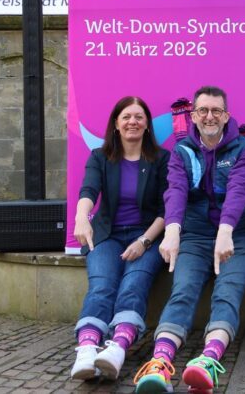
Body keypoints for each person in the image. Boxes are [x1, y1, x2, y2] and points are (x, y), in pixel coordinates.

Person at [134, 85, 245, 393]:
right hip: (195, 235)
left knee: (227, 292)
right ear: (193, 114)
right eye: (203, 110)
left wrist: (226, 231)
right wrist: (173, 231)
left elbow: (239, 190)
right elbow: (175, 190)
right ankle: (160, 363)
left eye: (216, 110)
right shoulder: (181, 151)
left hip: (236, 236)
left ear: (226, 115)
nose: (209, 116)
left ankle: (208, 360)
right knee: (183, 291)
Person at [70, 96, 171, 381]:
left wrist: (144, 242)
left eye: (139, 117)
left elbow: (168, 209)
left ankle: (118, 347)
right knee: (102, 286)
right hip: (107, 235)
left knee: (133, 284)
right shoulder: (100, 157)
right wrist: (81, 218)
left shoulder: (161, 159)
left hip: (147, 236)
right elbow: (88, 191)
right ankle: (87, 349)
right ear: (116, 123)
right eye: (126, 116)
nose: (133, 122)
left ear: (147, 125)